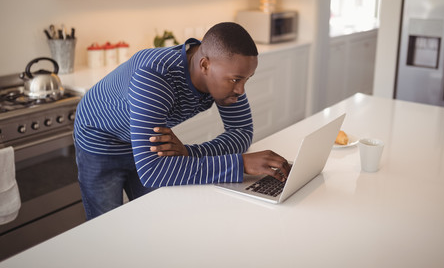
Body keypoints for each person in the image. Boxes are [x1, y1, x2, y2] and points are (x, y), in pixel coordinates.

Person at [74, 22, 291, 220]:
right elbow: (153, 171)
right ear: (205, 65)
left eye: (246, 79)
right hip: (100, 138)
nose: (241, 90)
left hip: (142, 137)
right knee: (107, 226)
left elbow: (241, 131)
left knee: (156, 217)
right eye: (235, 79)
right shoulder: (155, 77)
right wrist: (240, 163)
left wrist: (189, 154)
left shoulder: (223, 74)